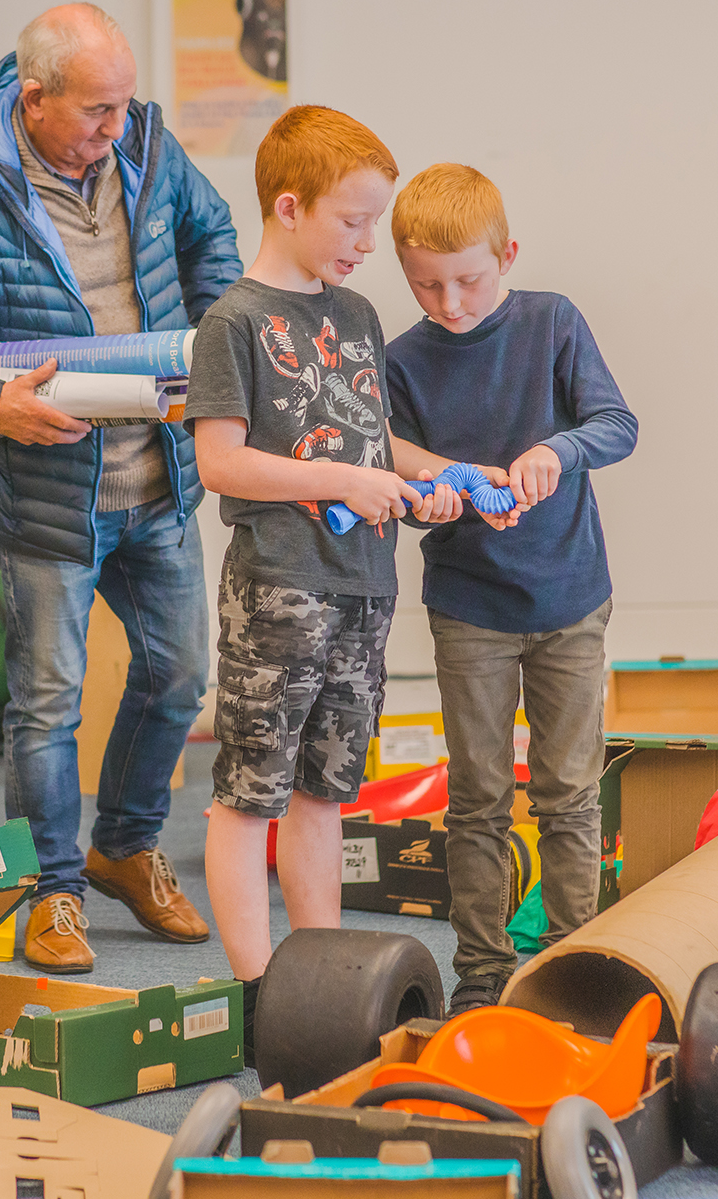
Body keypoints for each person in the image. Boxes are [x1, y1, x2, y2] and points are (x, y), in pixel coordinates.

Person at [0, 3, 243, 974]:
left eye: (124, 105)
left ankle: (123, 845)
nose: (117, 126)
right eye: (96, 111)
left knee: (177, 675)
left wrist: (215, 344)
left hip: (157, 480)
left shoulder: (148, 155)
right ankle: (51, 889)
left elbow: (212, 239)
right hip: (42, 498)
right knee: (46, 703)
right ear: (33, 101)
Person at [184, 106, 464, 1054]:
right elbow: (222, 462)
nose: (367, 244)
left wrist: (444, 476)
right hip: (279, 585)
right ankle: (262, 997)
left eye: (374, 223)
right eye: (352, 222)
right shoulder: (233, 323)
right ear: (290, 206)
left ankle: (321, 987)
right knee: (251, 790)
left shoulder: (355, 317)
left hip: (362, 583)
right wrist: (346, 481)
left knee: (325, 790)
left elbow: (370, 442)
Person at [383, 163, 639, 1014]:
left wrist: (553, 453)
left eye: (468, 280)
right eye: (426, 284)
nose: (449, 303)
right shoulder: (404, 362)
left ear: (508, 256)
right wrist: (439, 496)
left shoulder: (552, 323)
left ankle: (575, 960)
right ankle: (484, 970)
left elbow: (616, 424)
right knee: (479, 795)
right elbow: (405, 490)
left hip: (569, 597)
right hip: (470, 609)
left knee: (567, 791)